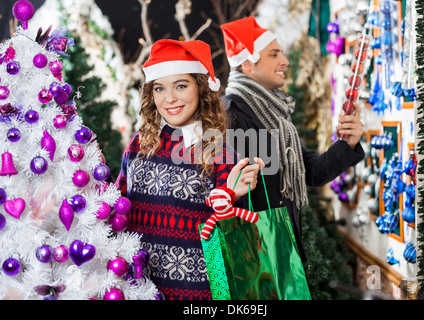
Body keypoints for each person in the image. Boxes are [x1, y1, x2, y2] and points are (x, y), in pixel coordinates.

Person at [115, 39, 264, 300]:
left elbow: (235, 241)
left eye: (181, 86)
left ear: (202, 89)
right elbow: (118, 207)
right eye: (159, 88)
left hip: (196, 294)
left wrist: (233, 194)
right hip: (136, 287)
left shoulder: (221, 153)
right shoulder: (140, 143)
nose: (169, 98)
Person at [220, 16, 365, 262]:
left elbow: (311, 171)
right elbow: (234, 196)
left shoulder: (271, 112)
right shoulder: (232, 114)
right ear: (247, 63)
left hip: (282, 247)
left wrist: (347, 143)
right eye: (274, 55)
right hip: (257, 256)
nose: (285, 61)